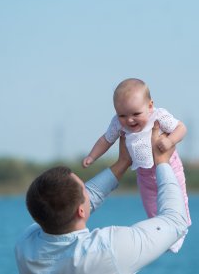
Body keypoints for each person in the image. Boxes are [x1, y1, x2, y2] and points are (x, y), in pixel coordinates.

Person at [15, 122, 189, 274]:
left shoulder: (26, 246)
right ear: (81, 211)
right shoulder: (108, 249)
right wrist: (163, 162)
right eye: (84, 188)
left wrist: (122, 164)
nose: (88, 190)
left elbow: (68, 204)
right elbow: (175, 221)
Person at [82, 78, 191, 252]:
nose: (129, 120)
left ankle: (182, 228)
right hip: (144, 175)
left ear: (150, 105)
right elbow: (106, 140)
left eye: (135, 114)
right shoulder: (117, 124)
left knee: (178, 197)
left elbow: (182, 128)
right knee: (151, 207)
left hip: (170, 168)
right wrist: (92, 156)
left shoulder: (159, 116)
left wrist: (170, 141)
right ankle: (165, 240)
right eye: (122, 115)